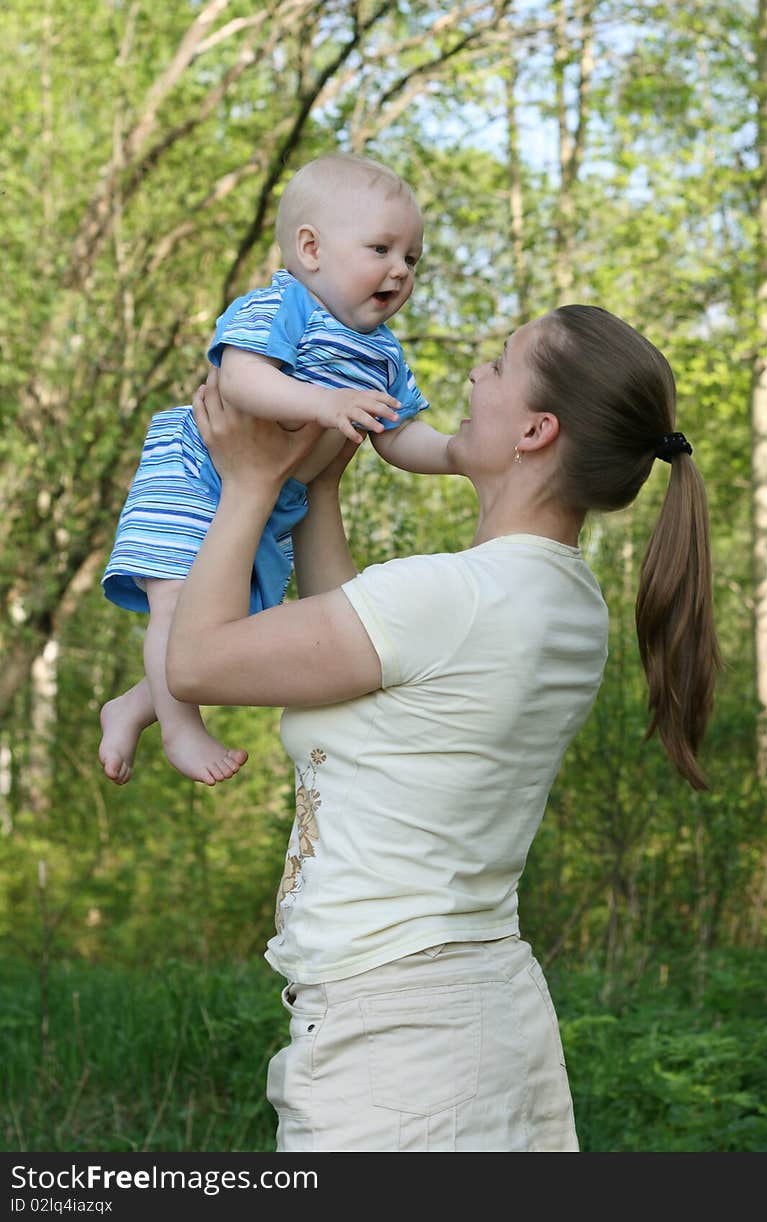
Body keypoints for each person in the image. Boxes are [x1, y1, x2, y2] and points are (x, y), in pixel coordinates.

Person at [165, 303, 720, 1152]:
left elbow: (197, 661)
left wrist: (246, 483)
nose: (472, 378)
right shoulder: (563, 600)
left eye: (498, 364)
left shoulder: (455, 597)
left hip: (398, 1056)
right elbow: (353, 645)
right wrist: (318, 484)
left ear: (536, 429)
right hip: (478, 1020)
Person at [99, 153, 453, 786]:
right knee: (178, 608)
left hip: (270, 502)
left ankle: (133, 705)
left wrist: (455, 456)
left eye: (412, 258)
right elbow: (240, 377)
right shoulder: (283, 304)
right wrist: (324, 403)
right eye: (381, 248)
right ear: (311, 248)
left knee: (239, 626)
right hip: (195, 474)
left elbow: (398, 434)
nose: (399, 270)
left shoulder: (385, 353)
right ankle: (181, 729)